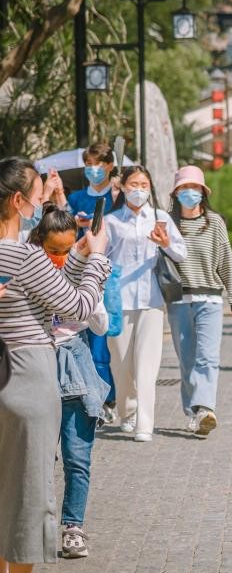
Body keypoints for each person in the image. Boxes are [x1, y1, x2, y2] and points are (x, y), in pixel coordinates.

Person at [0, 157, 110, 573]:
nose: (44, 198)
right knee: (28, 486)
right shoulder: (21, 255)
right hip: (28, 371)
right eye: (38, 192)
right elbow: (79, 307)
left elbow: (41, 292)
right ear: (16, 201)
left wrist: (77, 261)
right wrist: (98, 258)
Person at [28, 209, 110, 560]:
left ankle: (73, 527)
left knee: (78, 456)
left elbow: (101, 326)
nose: (59, 258)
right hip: (39, 363)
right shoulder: (30, 273)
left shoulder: (81, 273)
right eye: (53, 250)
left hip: (75, 364)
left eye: (66, 250)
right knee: (40, 457)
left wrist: (85, 298)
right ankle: (36, 526)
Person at [103, 165, 186, 441]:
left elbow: (181, 253)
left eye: (144, 185)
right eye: (134, 184)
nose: (139, 190)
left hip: (151, 299)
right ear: (123, 187)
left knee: (147, 365)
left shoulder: (160, 218)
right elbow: (98, 258)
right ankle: (128, 411)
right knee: (121, 363)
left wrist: (165, 243)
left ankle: (145, 425)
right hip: (119, 300)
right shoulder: (112, 221)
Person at [168, 166, 232, 438]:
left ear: (203, 192)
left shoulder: (215, 222)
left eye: (195, 188)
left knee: (208, 357)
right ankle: (193, 412)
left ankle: (205, 409)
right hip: (178, 300)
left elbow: (226, 260)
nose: (190, 193)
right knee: (187, 360)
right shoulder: (166, 223)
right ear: (176, 193)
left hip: (210, 298)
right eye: (184, 188)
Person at [64, 142, 119, 423]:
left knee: (106, 336)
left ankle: (109, 395)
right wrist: (74, 223)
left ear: (109, 166)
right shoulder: (75, 197)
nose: (92, 169)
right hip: (76, 269)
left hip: (110, 271)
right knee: (85, 335)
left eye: (98, 164)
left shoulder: (118, 195)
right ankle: (93, 397)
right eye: (88, 164)